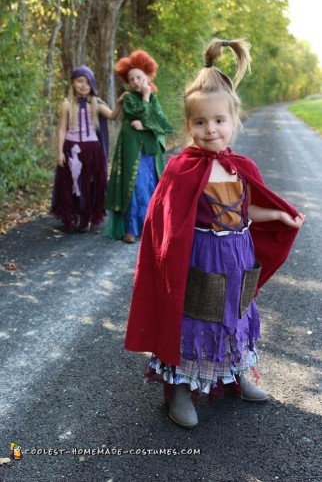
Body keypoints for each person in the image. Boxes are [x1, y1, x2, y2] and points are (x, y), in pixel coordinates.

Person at [124, 38, 306, 428]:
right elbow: (167, 223)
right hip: (200, 259)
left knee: (234, 315)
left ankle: (236, 374)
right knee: (195, 317)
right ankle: (180, 388)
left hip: (237, 256)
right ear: (189, 125)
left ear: (234, 121)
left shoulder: (239, 166)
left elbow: (245, 209)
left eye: (219, 121)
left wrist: (278, 213)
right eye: (200, 122)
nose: (210, 130)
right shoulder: (181, 168)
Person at [103, 50, 174, 243]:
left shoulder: (154, 99)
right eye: (131, 78)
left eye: (139, 77)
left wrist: (146, 125)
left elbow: (163, 124)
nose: (135, 81)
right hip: (132, 149)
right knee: (133, 186)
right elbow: (137, 112)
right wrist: (144, 99)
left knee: (151, 186)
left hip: (149, 152)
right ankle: (131, 229)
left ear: (148, 77)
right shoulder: (129, 98)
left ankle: (150, 228)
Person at [52, 65, 127, 233]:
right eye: (80, 81)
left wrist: (119, 102)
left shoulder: (96, 103)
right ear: (72, 82)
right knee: (71, 182)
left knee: (90, 183)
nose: (83, 85)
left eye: (87, 82)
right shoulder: (66, 104)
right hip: (71, 148)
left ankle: (86, 217)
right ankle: (73, 214)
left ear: (91, 84)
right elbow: (62, 129)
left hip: (92, 150)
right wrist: (59, 152)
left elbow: (112, 116)